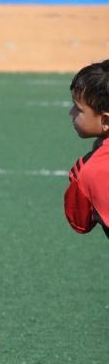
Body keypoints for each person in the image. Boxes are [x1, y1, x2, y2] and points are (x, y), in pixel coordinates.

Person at [63, 59, 109, 239]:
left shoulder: (90, 170)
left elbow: (79, 222)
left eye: (78, 108)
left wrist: (77, 176)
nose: (71, 112)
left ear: (105, 121)